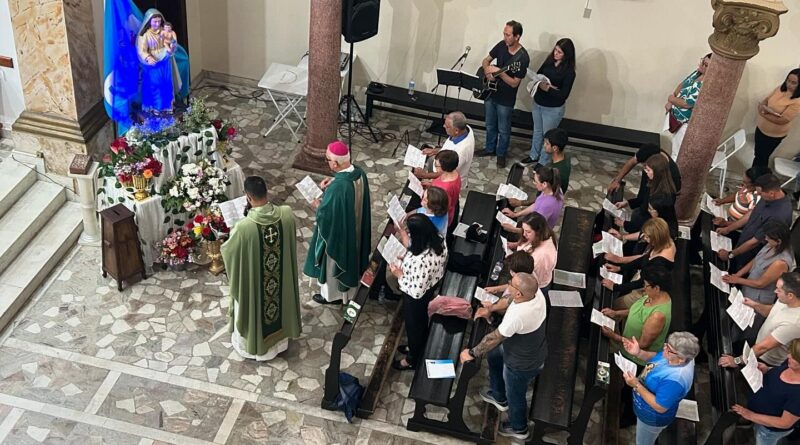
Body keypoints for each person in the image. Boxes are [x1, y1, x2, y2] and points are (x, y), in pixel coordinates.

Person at [221, 176, 301, 361]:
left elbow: (228, 251)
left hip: (256, 284)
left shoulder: (244, 227)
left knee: (253, 302)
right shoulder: (286, 214)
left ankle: (255, 346)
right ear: (267, 192)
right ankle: (279, 343)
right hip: (280, 283)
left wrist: (234, 230)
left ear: (248, 197)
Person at [460, 273, 547, 441]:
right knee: (494, 355)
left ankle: (519, 428)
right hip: (522, 346)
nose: (508, 284)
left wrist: (471, 353)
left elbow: (495, 338)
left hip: (521, 363)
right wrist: (491, 308)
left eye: (511, 284)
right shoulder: (536, 294)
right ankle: (498, 395)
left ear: (519, 293)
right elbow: (509, 300)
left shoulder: (518, 315)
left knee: (515, 395)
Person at [304, 141, 372, 305]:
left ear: (335, 163)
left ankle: (332, 296)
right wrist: (329, 187)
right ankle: (348, 291)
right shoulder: (359, 173)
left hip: (340, 237)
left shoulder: (339, 187)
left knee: (331, 263)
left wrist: (317, 206)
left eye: (327, 159)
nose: (326, 162)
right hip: (355, 230)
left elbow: (327, 217)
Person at [390, 214, 448, 371]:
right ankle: (414, 347)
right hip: (431, 285)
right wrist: (406, 258)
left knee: (414, 326)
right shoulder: (438, 239)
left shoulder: (420, 261)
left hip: (415, 298)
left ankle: (412, 359)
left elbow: (415, 291)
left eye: (410, 232)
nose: (408, 234)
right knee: (420, 322)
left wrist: (399, 275)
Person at [621, 332, 700, 445]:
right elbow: (656, 358)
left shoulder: (675, 380)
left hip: (652, 417)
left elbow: (660, 407)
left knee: (643, 442)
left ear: (681, 359)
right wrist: (638, 353)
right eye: (666, 345)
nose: (664, 349)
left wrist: (636, 385)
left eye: (669, 349)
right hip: (643, 405)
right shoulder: (672, 356)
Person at [722, 221, 794, 342]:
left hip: (759, 298)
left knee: (744, 330)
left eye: (768, 237)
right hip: (748, 288)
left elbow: (761, 283)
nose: (765, 239)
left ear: (779, 241)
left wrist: (738, 280)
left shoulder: (780, 263)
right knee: (735, 321)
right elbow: (756, 260)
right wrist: (739, 274)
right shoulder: (771, 244)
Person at [475, 20, 530, 168]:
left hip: (506, 98)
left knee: (504, 129)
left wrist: (499, 73)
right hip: (490, 92)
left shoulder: (522, 58)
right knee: (490, 124)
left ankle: (501, 154)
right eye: (504, 34)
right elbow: (486, 61)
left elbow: (514, 83)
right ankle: (489, 148)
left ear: (517, 37)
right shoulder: (501, 45)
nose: (505, 37)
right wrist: (488, 70)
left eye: (508, 35)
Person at [720, 272, 800, 369]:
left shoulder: (793, 323)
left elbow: (763, 347)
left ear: (790, 295)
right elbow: (773, 310)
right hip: (758, 341)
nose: (775, 291)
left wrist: (737, 361)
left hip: (765, 358)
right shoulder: (786, 300)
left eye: (779, 290)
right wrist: (754, 305)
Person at [732, 339, 800, 445]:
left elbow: (784, 423)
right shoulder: (792, 364)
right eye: (790, 352)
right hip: (759, 414)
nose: (788, 357)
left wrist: (750, 415)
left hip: (769, 430)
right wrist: (767, 369)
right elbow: (781, 370)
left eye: (794, 357)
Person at [601, 265, 672, 366]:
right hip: (626, 344)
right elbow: (638, 310)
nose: (643, 288)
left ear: (656, 288)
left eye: (646, 285)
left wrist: (613, 336)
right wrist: (615, 313)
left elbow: (641, 345)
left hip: (632, 358)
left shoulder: (657, 316)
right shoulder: (654, 295)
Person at [717, 174, 792, 269]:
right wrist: (728, 229)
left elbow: (755, 242)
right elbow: (751, 214)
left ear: (771, 193)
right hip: (745, 237)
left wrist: (730, 254)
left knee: (736, 268)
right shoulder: (768, 197)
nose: (758, 195)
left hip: (752, 251)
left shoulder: (779, 215)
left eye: (760, 193)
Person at [523, 39, 576, 166]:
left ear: (566, 55)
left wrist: (548, 89)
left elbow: (563, 94)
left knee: (548, 138)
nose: (555, 54)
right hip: (539, 103)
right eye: (555, 50)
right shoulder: (549, 62)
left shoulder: (569, 72)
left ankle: (543, 161)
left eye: (559, 52)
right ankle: (533, 155)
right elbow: (539, 74)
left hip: (552, 109)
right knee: (537, 132)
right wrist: (539, 82)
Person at [604, 217, 676, 310]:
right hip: (644, 279)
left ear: (656, 238)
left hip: (646, 290)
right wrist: (620, 268)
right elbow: (644, 259)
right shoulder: (665, 241)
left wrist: (615, 287)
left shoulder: (660, 263)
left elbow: (641, 282)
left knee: (617, 305)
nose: (645, 239)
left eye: (647, 237)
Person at [607, 144, 681, 219]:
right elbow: (643, 196)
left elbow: (650, 213)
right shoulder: (652, 153)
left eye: (647, 168)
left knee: (639, 214)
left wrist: (626, 225)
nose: (644, 170)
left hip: (654, 214)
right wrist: (617, 181)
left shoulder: (666, 188)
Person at [615, 151, 678, 236]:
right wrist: (626, 203)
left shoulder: (660, 199)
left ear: (657, 172)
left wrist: (625, 225)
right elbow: (642, 199)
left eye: (648, 170)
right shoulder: (655, 182)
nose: (646, 172)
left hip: (655, 231)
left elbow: (647, 223)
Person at [664, 54, 711, 160]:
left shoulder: (707, 84)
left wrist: (671, 98)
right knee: (674, 147)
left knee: (677, 152)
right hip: (676, 116)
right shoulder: (697, 73)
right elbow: (682, 84)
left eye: (706, 65)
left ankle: (674, 175)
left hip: (686, 122)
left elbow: (687, 103)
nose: (702, 65)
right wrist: (673, 97)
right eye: (702, 61)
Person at [752, 69, 800, 167]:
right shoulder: (780, 89)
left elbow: (783, 120)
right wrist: (763, 107)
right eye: (788, 80)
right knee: (757, 155)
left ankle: (755, 180)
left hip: (773, 135)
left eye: (793, 83)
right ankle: (752, 179)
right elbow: (766, 100)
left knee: (762, 158)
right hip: (761, 128)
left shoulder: (797, 101)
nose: (789, 84)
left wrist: (763, 113)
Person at [136, 9, 180, 112]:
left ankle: (167, 107)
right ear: (149, 22)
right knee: (156, 86)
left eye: (159, 21)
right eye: (154, 21)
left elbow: (171, 43)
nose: (157, 24)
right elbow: (141, 50)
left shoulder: (164, 31)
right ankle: (157, 108)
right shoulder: (145, 35)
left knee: (167, 84)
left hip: (165, 61)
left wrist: (172, 44)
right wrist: (148, 57)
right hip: (153, 64)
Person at [416, 112, 475, 187]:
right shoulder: (465, 129)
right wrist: (435, 150)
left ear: (456, 130)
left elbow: (446, 173)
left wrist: (424, 175)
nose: (443, 126)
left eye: (447, 126)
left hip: (448, 182)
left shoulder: (460, 152)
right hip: (441, 168)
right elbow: (450, 148)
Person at [507, 213, 557, 294]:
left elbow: (533, 280)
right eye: (523, 230)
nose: (524, 234)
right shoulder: (538, 237)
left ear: (538, 232)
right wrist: (515, 244)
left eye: (528, 232)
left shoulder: (542, 256)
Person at [429, 150, 462, 227]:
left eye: (437, 165)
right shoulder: (453, 172)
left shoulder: (446, 187)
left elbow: (438, 206)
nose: (435, 167)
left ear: (445, 167)